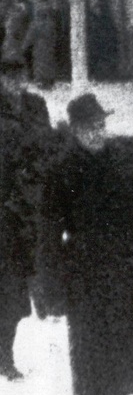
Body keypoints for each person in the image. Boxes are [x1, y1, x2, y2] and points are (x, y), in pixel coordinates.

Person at [36, 93, 133, 395]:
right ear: (75, 131)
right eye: (90, 128)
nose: (98, 133)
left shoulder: (121, 162)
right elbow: (48, 234)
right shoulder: (61, 172)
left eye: (101, 126)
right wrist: (50, 285)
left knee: (121, 348)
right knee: (92, 350)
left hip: (122, 270)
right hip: (84, 274)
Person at [0, 70, 51, 379]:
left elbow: (45, 145)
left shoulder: (35, 106)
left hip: (24, 210)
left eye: (20, 79)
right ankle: (4, 357)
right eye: (9, 79)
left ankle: (5, 354)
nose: (16, 85)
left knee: (15, 293)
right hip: (4, 206)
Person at [23, 0, 58, 90]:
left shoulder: (37, 22)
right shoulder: (51, 18)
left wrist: (25, 46)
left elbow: (30, 36)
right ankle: (49, 83)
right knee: (49, 63)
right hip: (49, 46)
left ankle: (42, 84)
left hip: (40, 47)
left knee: (40, 65)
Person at [1, 0, 31, 79]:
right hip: (12, 40)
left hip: (14, 40)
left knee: (14, 56)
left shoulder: (14, 17)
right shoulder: (13, 16)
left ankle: (15, 75)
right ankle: (14, 75)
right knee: (13, 56)